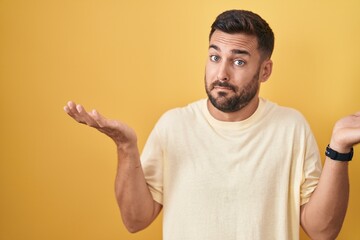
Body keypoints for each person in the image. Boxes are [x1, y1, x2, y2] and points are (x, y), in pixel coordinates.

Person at [64, 9, 360, 240]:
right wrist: (126, 147)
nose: (222, 73)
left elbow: (322, 231)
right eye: (214, 56)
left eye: (239, 61)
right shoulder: (173, 126)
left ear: (265, 70)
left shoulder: (291, 127)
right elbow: (135, 220)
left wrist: (339, 150)